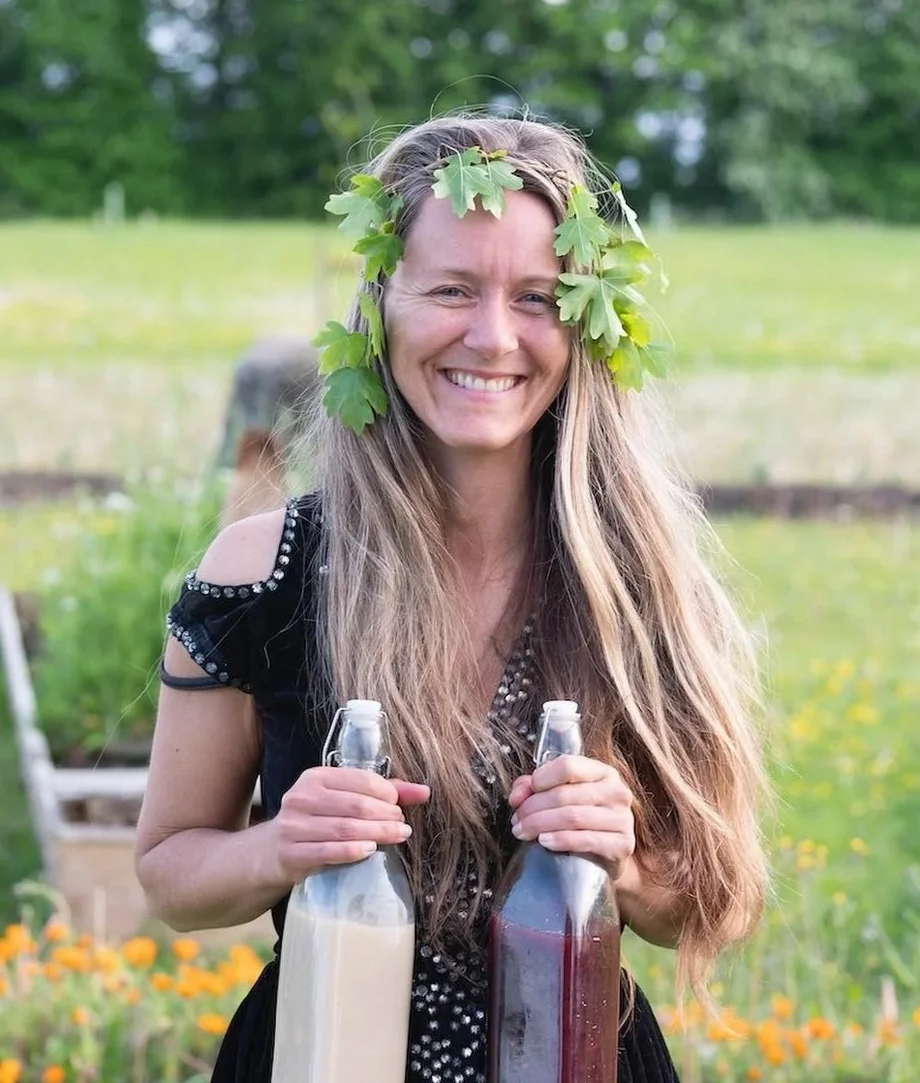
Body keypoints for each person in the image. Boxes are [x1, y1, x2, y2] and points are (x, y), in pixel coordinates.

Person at [135, 114, 770, 1083]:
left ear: (587, 323)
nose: (494, 336)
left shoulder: (642, 585)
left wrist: (627, 862)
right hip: (316, 1053)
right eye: (452, 290)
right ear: (381, 307)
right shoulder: (260, 576)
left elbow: (717, 902)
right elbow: (171, 872)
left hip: (577, 1057)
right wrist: (281, 846)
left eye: (537, 298)